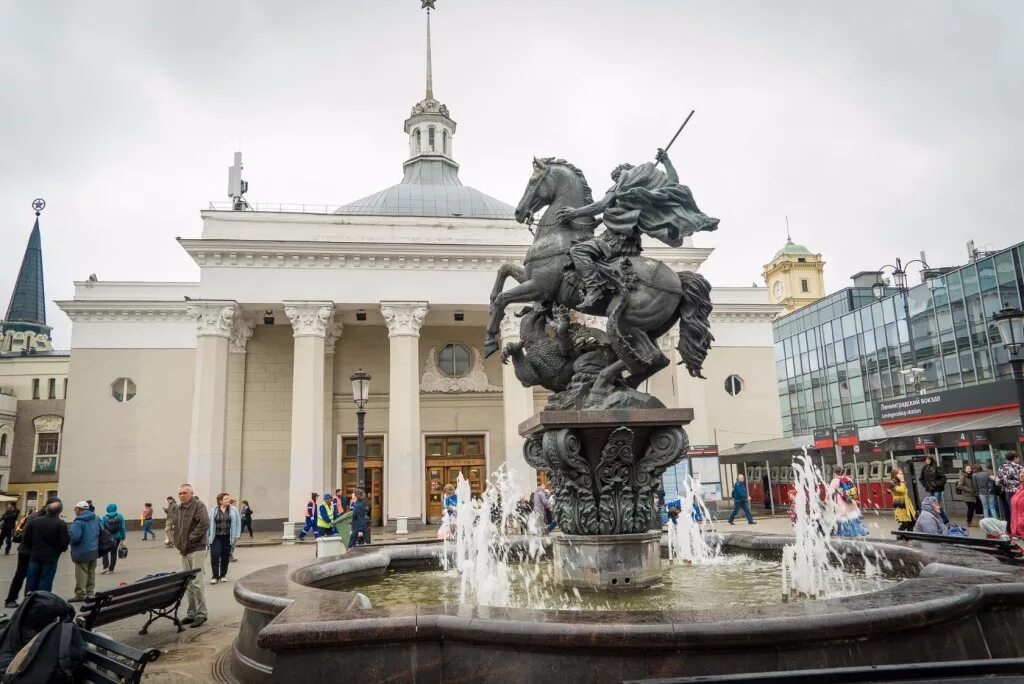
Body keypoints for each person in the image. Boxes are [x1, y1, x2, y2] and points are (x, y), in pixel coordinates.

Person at [560, 149, 719, 311]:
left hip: (612, 242)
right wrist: (667, 162)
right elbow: (673, 183)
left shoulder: (621, 188)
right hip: (630, 245)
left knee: (578, 250)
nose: (618, 180)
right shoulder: (642, 197)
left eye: (618, 177)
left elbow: (601, 205)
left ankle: (594, 287)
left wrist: (575, 212)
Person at [172, 483, 211, 628]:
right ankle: (191, 613)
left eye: (185, 493)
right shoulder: (178, 508)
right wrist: (177, 541)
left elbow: (204, 524)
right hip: (184, 550)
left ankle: (202, 614)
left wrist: (190, 538)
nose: (182, 496)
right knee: (188, 583)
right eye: (180, 493)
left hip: (197, 548)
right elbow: (174, 526)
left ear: (191, 493)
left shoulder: (198, 505)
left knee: (197, 583)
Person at [22, 497, 69, 594]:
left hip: (35, 555)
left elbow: (26, 537)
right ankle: (42, 600)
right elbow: (64, 542)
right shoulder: (61, 524)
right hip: (51, 557)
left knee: (31, 579)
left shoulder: (36, 521)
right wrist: (58, 551)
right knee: (46, 580)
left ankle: (29, 599)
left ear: (47, 509)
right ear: (59, 512)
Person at [4, 508, 45, 608]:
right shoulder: (34, 517)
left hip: (30, 550)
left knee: (24, 575)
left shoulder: (36, 517)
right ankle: (11, 599)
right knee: (20, 575)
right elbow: (25, 533)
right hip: (26, 551)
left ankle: (24, 599)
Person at [68, 500, 102, 603]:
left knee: (81, 573)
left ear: (78, 509)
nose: (75, 511)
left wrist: (69, 534)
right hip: (94, 549)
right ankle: (90, 592)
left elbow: (75, 538)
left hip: (82, 551)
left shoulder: (78, 521)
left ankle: (81, 594)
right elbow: (101, 531)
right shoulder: (96, 518)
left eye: (75, 509)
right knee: (91, 572)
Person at [208, 492, 239, 585]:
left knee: (225, 556)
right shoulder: (214, 510)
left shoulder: (233, 510)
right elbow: (209, 524)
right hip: (216, 536)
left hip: (228, 537)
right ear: (220, 501)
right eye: (226, 499)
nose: (228, 500)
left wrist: (236, 535)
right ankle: (215, 576)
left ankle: (223, 575)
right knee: (214, 555)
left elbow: (238, 523)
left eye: (228, 498)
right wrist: (207, 536)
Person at [829, 466, 869, 537]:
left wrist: (827, 500)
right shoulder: (848, 479)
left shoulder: (834, 481)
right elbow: (853, 491)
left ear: (835, 473)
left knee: (843, 519)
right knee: (852, 517)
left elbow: (829, 493)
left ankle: (845, 534)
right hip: (850, 501)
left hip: (841, 502)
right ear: (843, 472)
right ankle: (858, 531)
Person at [100, 503, 127, 574]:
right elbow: (123, 528)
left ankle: (105, 567)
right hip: (117, 537)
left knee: (105, 552)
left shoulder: (105, 517)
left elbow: (102, 528)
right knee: (113, 552)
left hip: (107, 538)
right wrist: (123, 537)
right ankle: (111, 569)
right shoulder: (119, 516)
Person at [996, 452, 1021, 522]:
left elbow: (998, 480)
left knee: (1011, 510)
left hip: (1008, 491)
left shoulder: (1002, 467)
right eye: (1018, 458)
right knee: (1020, 509)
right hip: (1019, 491)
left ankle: (1013, 527)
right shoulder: (1019, 467)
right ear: (1015, 458)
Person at [890, 468, 917, 532]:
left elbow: (905, 491)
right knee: (905, 523)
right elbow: (901, 490)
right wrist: (902, 481)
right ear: (895, 475)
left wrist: (902, 482)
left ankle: (909, 538)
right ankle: (899, 535)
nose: (902, 475)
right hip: (900, 505)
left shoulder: (901, 482)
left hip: (907, 504)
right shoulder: (892, 482)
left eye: (902, 473)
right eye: (900, 473)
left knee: (911, 522)